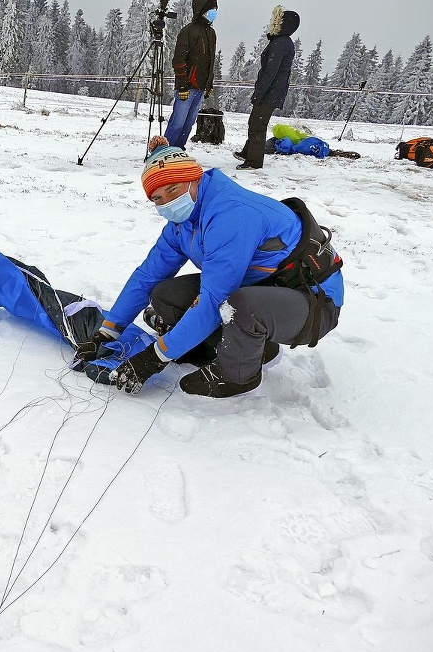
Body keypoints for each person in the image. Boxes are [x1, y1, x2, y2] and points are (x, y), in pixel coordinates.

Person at [74, 138, 344, 398]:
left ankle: (237, 375)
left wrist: (155, 357)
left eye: (173, 189)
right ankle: (252, 350)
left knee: (239, 303)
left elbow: (214, 298)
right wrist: (108, 330)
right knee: (165, 294)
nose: (167, 202)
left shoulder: (230, 215)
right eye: (157, 198)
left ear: (196, 178)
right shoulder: (183, 222)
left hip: (312, 301)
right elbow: (148, 275)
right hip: (264, 287)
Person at [234, 6, 300, 170]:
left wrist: (259, 93)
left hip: (270, 91)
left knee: (258, 124)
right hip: (273, 90)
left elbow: (271, 71)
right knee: (255, 122)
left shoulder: (280, 43)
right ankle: (248, 152)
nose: (273, 22)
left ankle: (254, 162)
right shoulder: (282, 41)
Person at [163, 0, 218, 150]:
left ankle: (179, 149)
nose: (214, 12)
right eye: (211, 9)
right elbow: (179, 61)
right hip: (187, 87)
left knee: (189, 123)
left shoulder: (211, 33)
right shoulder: (188, 31)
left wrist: (209, 83)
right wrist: (182, 86)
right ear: (202, 10)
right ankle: (165, 150)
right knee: (178, 122)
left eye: (215, 9)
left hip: (200, 88)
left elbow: (210, 62)